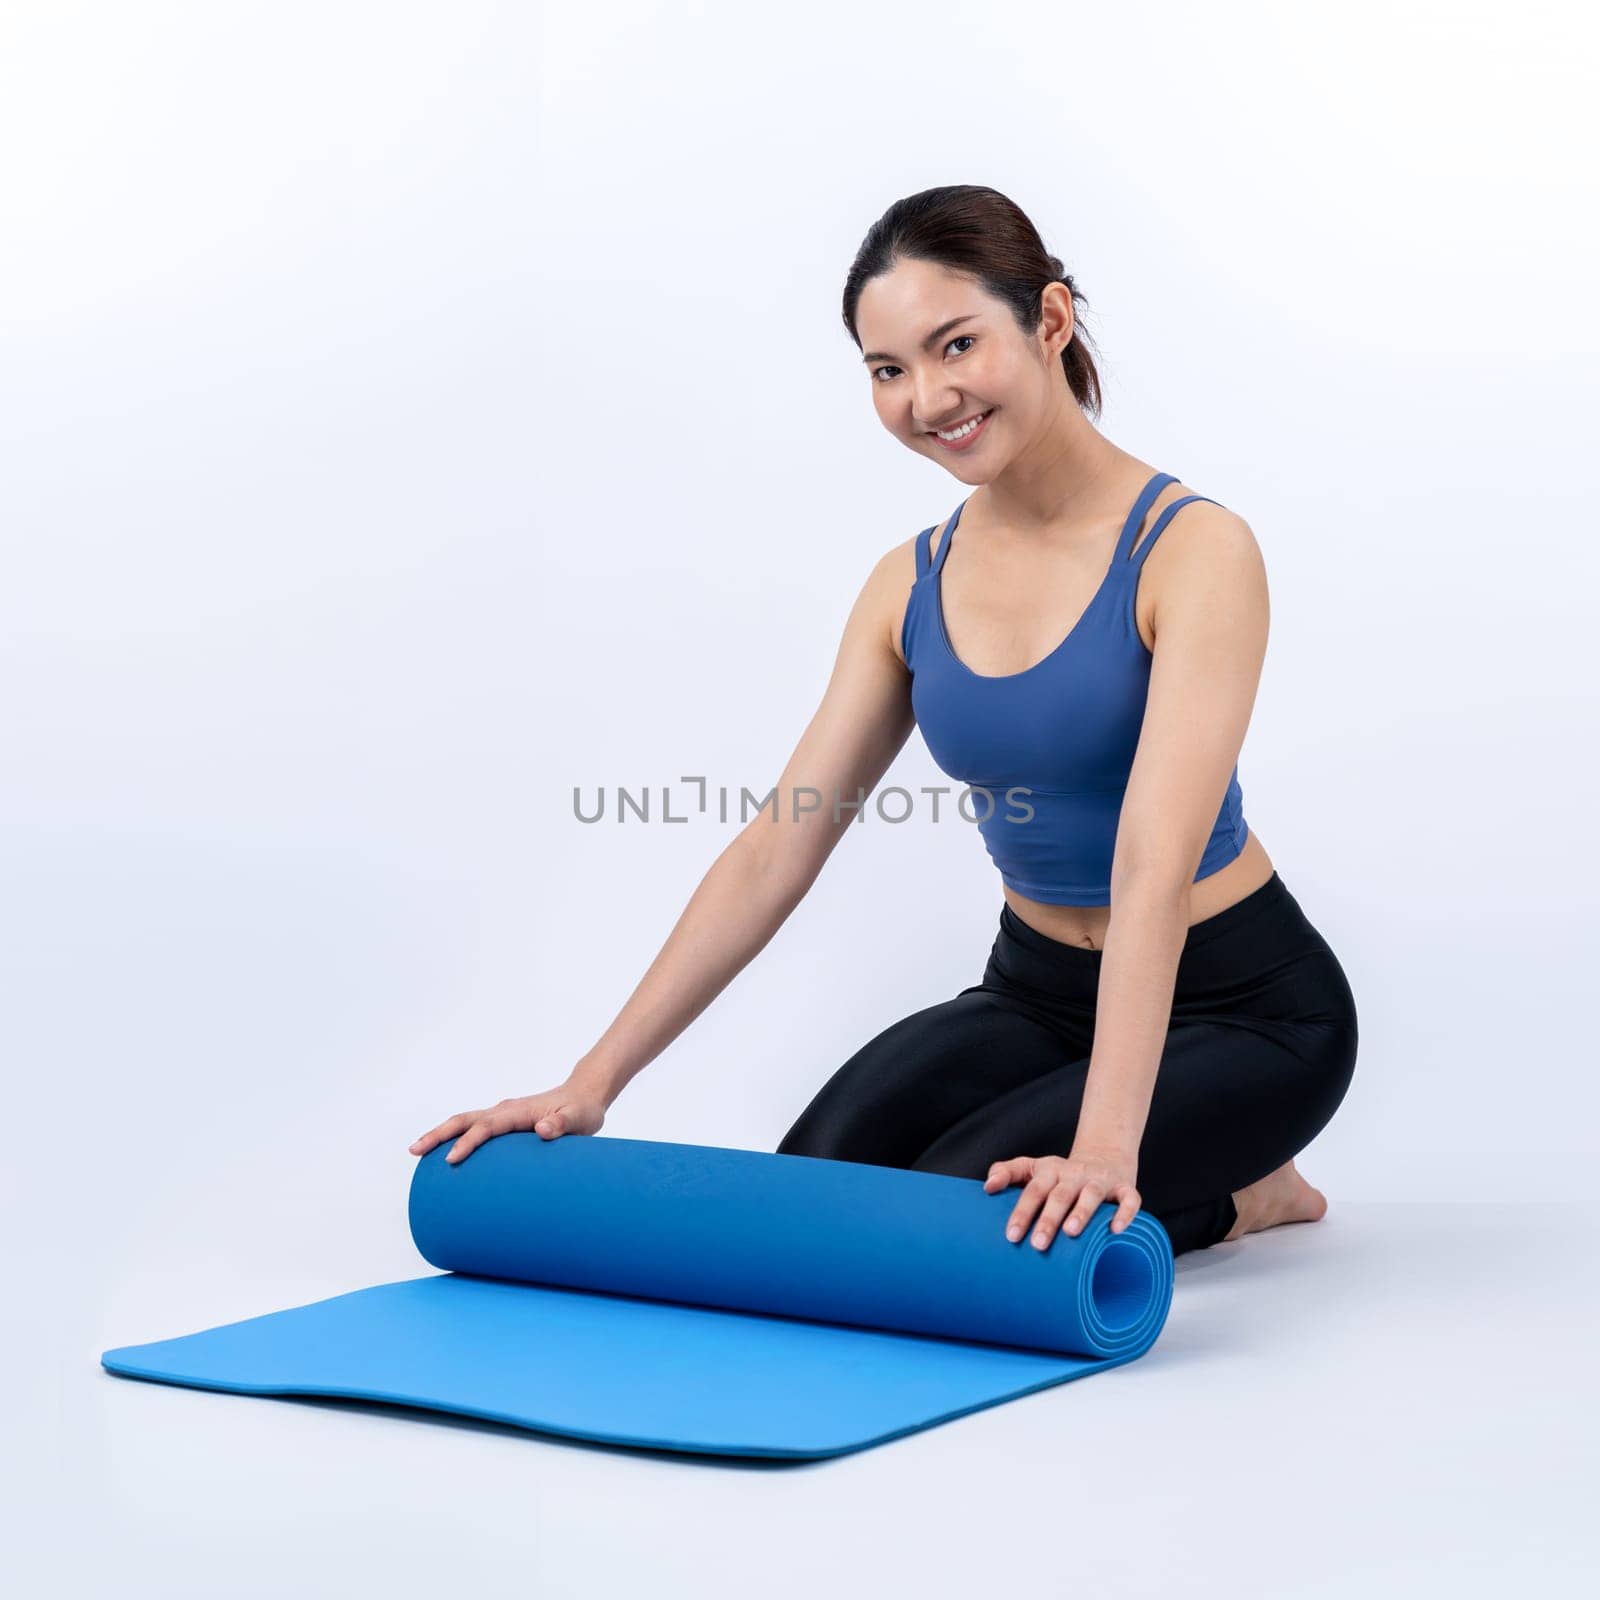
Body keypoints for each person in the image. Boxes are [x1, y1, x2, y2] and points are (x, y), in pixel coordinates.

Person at [409, 184, 1359, 1259]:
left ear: (1048, 322)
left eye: (956, 345)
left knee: (951, 1225)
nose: (928, 397)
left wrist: (1105, 1145)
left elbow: (1150, 862)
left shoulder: (1191, 551)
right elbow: (777, 845)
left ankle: (1249, 1189)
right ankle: (1224, 1175)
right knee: (807, 1190)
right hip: (1037, 995)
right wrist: (591, 1084)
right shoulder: (906, 585)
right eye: (888, 369)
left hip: (1242, 1007)